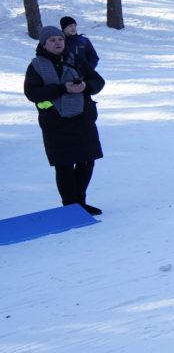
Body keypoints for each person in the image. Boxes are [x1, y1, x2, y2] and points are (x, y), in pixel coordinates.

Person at [24, 26, 106, 215]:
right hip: (55, 122)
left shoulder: (75, 60)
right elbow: (32, 93)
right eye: (52, 40)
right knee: (64, 165)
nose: (57, 42)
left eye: (59, 39)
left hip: (82, 119)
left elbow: (98, 82)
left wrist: (85, 86)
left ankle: (81, 202)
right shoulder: (36, 65)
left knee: (87, 161)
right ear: (43, 44)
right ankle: (70, 206)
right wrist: (62, 89)